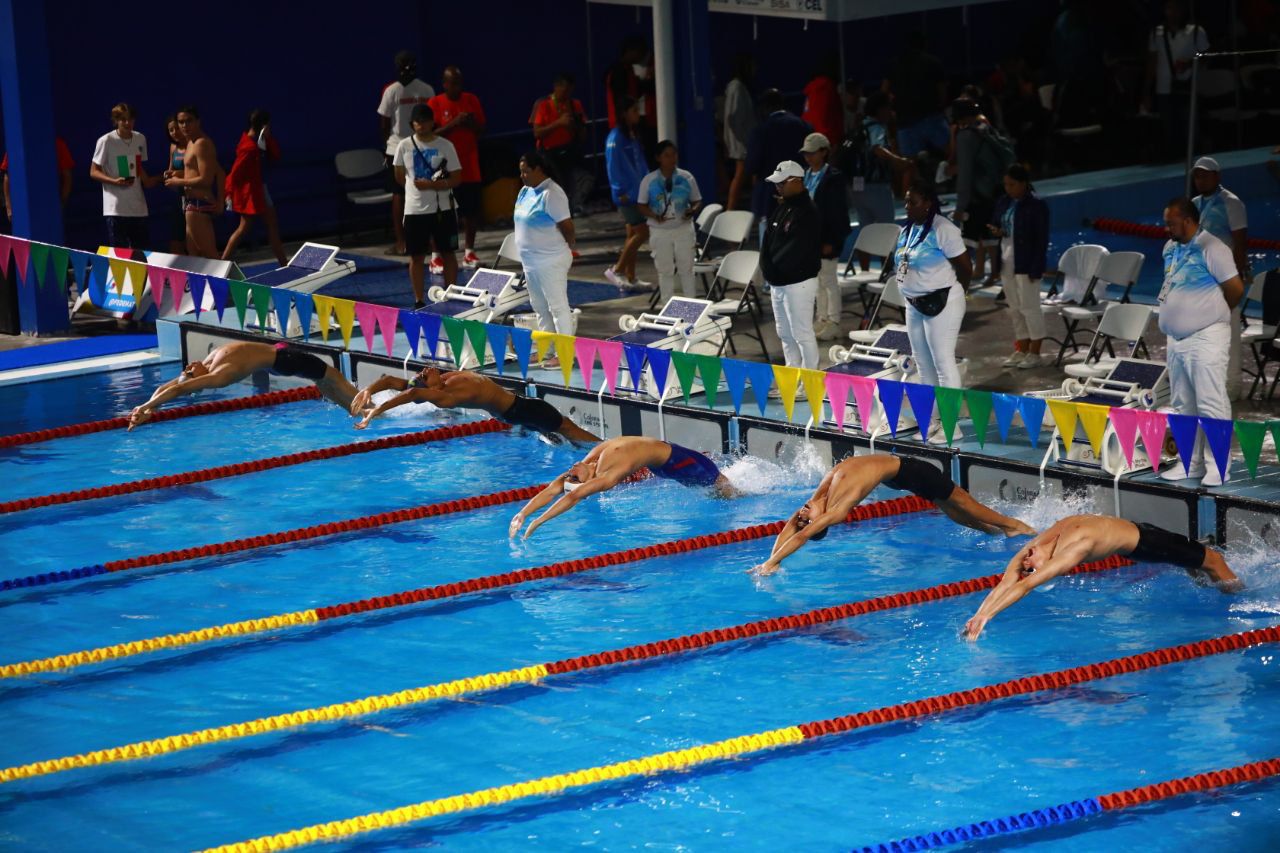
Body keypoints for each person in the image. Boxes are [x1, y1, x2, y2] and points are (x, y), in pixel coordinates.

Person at [962, 514, 1240, 640]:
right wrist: (988, 618)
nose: (1025, 562)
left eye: (1026, 563)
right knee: (1215, 561)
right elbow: (1025, 586)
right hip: (1144, 544)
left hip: (1139, 527)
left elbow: (1010, 578)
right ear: (1048, 567)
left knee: (1195, 565)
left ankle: (1213, 583)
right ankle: (1240, 597)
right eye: (1031, 567)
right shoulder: (1071, 552)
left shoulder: (1041, 542)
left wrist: (980, 612)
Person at [755, 454, 1033, 575]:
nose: (801, 513)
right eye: (806, 517)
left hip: (907, 471)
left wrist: (771, 560)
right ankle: (1004, 528)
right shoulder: (836, 510)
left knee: (958, 505)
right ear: (819, 522)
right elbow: (802, 532)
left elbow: (796, 527)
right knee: (957, 506)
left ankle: (1011, 526)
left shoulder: (819, 498)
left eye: (801, 515)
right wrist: (774, 562)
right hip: (905, 474)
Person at [1156, 197, 1244, 486]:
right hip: (1176, 339)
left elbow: (1235, 289)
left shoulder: (1214, 248)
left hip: (1207, 337)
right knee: (1182, 404)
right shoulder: (1171, 248)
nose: (1166, 228)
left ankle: (1218, 465)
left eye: (1171, 223)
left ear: (1188, 220)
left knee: (1211, 402)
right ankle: (1189, 463)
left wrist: (1211, 315)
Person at [509, 436, 738, 540]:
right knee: (725, 491)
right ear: (584, 482)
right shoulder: (607, 477)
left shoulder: (591, 460)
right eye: (573, 475)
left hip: (665, 457)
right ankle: (749, 497)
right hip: (676, 463)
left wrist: (523, 513)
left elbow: (553, 488)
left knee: (718, 490)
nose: (570, 469)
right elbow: (573, 495)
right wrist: (538, 523)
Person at [127, 341, 357, 430]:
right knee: (334, 378)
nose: (187, 367)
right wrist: (146, 407)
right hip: (285, 359)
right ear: (197, 381)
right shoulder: (220, 375)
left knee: (325, 383)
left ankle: (356, 410)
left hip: (276, 360)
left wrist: (147, 407)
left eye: (186, 370)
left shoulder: (205, 364)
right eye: (189, 372)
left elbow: (169, 387)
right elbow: (178, 389)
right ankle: (368, 406)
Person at [895, 181, 971, 443]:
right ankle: (931, 422)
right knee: (924, 367)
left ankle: (951, 427)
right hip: (914, 304)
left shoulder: (943, 229)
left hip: (943, 303)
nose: (907, 206)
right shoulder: (909, 229)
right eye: (906, 201)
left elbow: (965, 267)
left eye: (912, 201)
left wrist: (959, 292)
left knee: (943, 363)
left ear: (927, 203)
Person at [350, 367, 599, 442]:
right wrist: (377, 411)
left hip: (511, 412)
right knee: (566, 426)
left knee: (555, 433)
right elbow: (414, 390)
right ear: (431, 389)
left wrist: (369, 390)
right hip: (520, 408)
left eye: (422, 371)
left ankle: (551, 436)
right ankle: (601, 450)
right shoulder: (447, 395)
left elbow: (394, 381)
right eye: (425, 375)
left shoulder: (441, 383)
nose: (425, 370)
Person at [394, 104, 461, 310]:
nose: (421, 125)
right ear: (412, 124)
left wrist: (432, 185)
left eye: (424, 121)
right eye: (417, 122)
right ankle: (418, 299)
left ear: (433, 122)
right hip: (415, 210)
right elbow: (398, 175)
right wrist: (416, 190)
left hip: (443, 209)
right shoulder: (404, 146)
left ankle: (450, 295)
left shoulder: (446, 145)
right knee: (416, 256)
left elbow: (457, 178)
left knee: (448, 253)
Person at [761, 160, 822, 371]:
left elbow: (796, 250)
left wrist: (774, 271)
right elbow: (767, 242)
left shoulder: (808, 211)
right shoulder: (782, 208)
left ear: (797, 182)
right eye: (776, 184)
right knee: (784, 333)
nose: (778, 188)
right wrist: (767, 269)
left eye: (781, 183)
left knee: (802, 333)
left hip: (799, 283)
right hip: (778, 282)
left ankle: (810, 380)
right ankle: (793, 376)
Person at [844, 92, 914, 272]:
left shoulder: (859, 126)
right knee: (888, 228)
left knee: (865, 230)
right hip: (876, 186)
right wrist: (898, 161)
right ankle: (888, 270)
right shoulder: (876, 128)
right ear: (881, 109)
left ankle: (865, 271)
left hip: (857, 186)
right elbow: (878, 148)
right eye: (888, 108)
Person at [989, 164, 1050, 368]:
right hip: (1007, 260)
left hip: (1026, 262)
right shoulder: (1004, 202)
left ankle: (1035, 352)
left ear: (1024, 183)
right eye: (1006, 184)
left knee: (1030, 307)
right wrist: (996, 230)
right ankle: (1022, 348)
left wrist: (1036, 267)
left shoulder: (1036, 206)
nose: (1008, 188)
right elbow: (999, 225)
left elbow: (1040, 240)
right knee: (1014, 308)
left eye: (1012, 184)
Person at [513, 151, 575, 349]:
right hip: (530, 262)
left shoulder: (552, 193)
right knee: (539, 307)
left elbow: (567, 227)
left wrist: (567, 247)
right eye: (521, 172)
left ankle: (565, 353)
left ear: (539, 169)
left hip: (550, 260)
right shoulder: (525, 191)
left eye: (526, 172)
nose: (522, 176)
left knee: (557, 307)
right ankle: (546, 350)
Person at [949, 98, 1013, 287]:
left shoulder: (965, 136)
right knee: (989, 234)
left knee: (973, 234)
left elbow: (966, 172)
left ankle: (976, 272)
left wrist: (961, 205)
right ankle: (991, 272)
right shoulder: (985, 128)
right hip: (995, 190)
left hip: (979, 193)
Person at [378, 50, 435, 257]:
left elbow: (384, 124)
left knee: (415, 193)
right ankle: (403, 241)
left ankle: (416, 241)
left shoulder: (424, 90)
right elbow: (384, 122)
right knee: (401, 194)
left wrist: (389, 144)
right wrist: (390, 146)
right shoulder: (393, 91)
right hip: (400, 149)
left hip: (414, 148)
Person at [429, 66, 487, 270]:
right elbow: (431, 135)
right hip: (444, 167)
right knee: (442, 213)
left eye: (459, 83)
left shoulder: (471, 100)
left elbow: (481, 129)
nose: (457, 87)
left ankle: (469, 252)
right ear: (444, 84)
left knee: (470, 212)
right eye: (452, 83)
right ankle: (436, 256)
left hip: (469, 165)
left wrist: (469, 123)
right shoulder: (435, 103)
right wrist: (454, 123)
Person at [800, 133, 852, 341]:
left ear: (824, 152)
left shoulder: (834, 177)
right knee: (817, 280)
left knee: (829, 279)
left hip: (828, 236)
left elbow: (837, 212)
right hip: (811, 237)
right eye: (806, 154)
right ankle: (822, 318)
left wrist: (831, 240)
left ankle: (834, 321)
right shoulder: (806, 175)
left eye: (813, 153)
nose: (809, 157)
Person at [637, 140, 702, 301]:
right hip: (660, 230)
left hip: (683, 228)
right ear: (658, 158)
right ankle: (667, 307)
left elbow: (697, 200)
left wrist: (692, 210)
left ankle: (691, 303)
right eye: (667, 155)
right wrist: (653, 214)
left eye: (674, 154)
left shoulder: (686, 177)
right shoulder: (649, 180)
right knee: (665, 270)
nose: (672, 158)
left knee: (686, 268)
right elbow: (641, 205)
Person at [744, 89, 812, 243]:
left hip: (769, 195)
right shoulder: (803, 125)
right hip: (799, 191)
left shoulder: (761, 130)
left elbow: (751, 166)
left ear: (765, 107)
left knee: (770, 240)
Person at [90, 103, 161, 249]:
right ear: (116, 120)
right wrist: (114, 181)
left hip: (138, 208)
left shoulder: (140, 138)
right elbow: (93, 171)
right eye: (123, 119)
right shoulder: (106, 141)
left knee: (142, 254)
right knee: (120, 256)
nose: (128, 123)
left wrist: (159, 178)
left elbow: (138, 168)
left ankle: (142, 273)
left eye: (130, 119)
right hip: (116, 209)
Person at [1144, 0, 1208, 160]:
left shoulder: (1196, 31)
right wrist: (1146, 91)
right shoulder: (1156, 33)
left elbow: (1205, 54)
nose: (1173, 12)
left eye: (1177, 8)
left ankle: (1196, 162)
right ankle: (1172, 162)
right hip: (1164, 88)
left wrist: (1191, 61)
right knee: (1169, 130)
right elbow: (1152, 61)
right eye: (1169, 8)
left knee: (1191, 129)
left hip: (1188, 87)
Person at [222, 110, 287, 266]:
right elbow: (235, 172)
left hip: (259, 190)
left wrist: (267, 137)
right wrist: (228, 193)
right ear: (264, 125)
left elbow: (276, 155)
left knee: (264, 226)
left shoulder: (257, 142)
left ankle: (284, 263)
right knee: (247, 228)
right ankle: (222, 263)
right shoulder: (249, 148)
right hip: (252, 194)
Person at [604, 97, 651, 289]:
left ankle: (631, 276)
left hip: (637, 191)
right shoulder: (616, 138)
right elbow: (613, 166)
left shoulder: (631, 135)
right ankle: (617, 270)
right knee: (642, 231)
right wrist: (620, 190)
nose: (637, 114)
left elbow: (640, 163)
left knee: (632, 233)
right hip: (627, 195)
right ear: (624, 114)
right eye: (633, 110)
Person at [163, 105, 222, 259]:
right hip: (190, 205)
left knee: (210, 256)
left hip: (199, 205)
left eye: (189, 121)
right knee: (195, 254)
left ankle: (230, 283)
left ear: (198, 122)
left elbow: (207, 179)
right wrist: (177, 173)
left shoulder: (202, 144)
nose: (184, 126)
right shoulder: (190, 143)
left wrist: (178, 181)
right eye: (181, 122)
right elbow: (195, 171)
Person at [530, 73, 589, 215]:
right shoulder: (543, 104)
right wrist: (558, 123)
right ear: (556, 87)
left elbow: (583, 133)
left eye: (570, 90)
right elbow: (537, 133)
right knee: (557, 184)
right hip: (549, 153)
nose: (567, 94)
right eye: (564, 90)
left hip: (569, 150)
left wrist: (576, 126)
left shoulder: (575, 105)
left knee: (583, 177)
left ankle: (574, 206)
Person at [886, 31, 950, 161]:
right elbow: (942, 91)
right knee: (952, 153)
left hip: (905, 120)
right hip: (931, 116)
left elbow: (884, 91)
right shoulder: (932, 62)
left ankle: (911, 181)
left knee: (908, 164)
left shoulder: (895, 64)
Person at [2, 136, 74, 228]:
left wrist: (62, 202)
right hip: (22, 206)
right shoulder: (16, 142)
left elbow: (67, 176)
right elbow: (7, 176)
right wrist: (9, 207)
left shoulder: (57, 143)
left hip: (49, 204)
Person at [723, 52, 757, 212]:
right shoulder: (737, 87)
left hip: (741, 139)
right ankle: (730, 210)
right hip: (742, 141)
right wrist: (742, 139)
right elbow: (733, 117)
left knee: (747, 173)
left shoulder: (737, 87)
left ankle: (749, 207)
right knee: (741, 174)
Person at [802, 58, 843, 147]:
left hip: (812, 140)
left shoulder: (813, 88)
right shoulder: (825, 87)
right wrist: (830, 143)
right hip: (824, 143)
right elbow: (822, 119)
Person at [160, 116, 187, 254]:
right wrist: (168, 174)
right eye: (171, 130)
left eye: (176, 128)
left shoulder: (193, 145)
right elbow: (171, 169)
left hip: (194, 197)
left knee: (194, 240)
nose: (174, 132)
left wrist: (178, 174)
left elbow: (197, 172)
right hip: (179, 198)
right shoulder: (173, 147)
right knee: (176, 240)